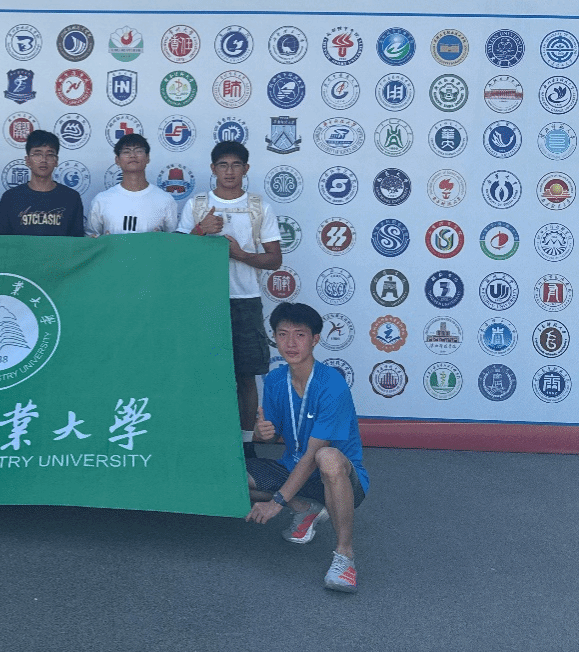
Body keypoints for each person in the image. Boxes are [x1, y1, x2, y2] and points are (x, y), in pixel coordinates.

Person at [246, 301, 369, 593]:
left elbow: (313, 455)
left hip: (341, 479)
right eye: (283, 334)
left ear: (315, 339)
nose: (290, 343)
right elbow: (272, 436)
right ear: (274, 337)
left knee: (327, 457)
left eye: (299, 335)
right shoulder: (275, 380)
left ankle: (345, 556)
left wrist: (276, 503)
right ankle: (305, 509)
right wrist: (261, 434)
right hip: (294, 472)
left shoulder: (331, 384)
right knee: (231, 476)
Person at [177, 140, 281, 459]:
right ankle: (205, 440)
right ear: (213, 169)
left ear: (246, 169)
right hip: (204, 300)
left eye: (236, 165)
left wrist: (241, 255)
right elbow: (176, 254)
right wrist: (200, 230)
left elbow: (275, 259)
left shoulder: (259, 207)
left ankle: (247, 444)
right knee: (202, 373)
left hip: (245, 300)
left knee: (245, 375)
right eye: (223, 165)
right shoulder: (197, 205)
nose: (229, 171)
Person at [0, 129, 84, 236]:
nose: (43, 160)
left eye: (50, 155)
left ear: (56, 161)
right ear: (27, 160)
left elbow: (77, 241)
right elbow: (1, 240)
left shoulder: (71, 197)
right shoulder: (10, 197)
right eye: (37, 154)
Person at [85, 133, 178, 236]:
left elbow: (173, 241)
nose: (133, 155)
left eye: (138, 151)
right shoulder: (101, 200)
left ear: (147, 158)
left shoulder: (165, 200)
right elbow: (91, 240)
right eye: (126, 152)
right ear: (117, 160)